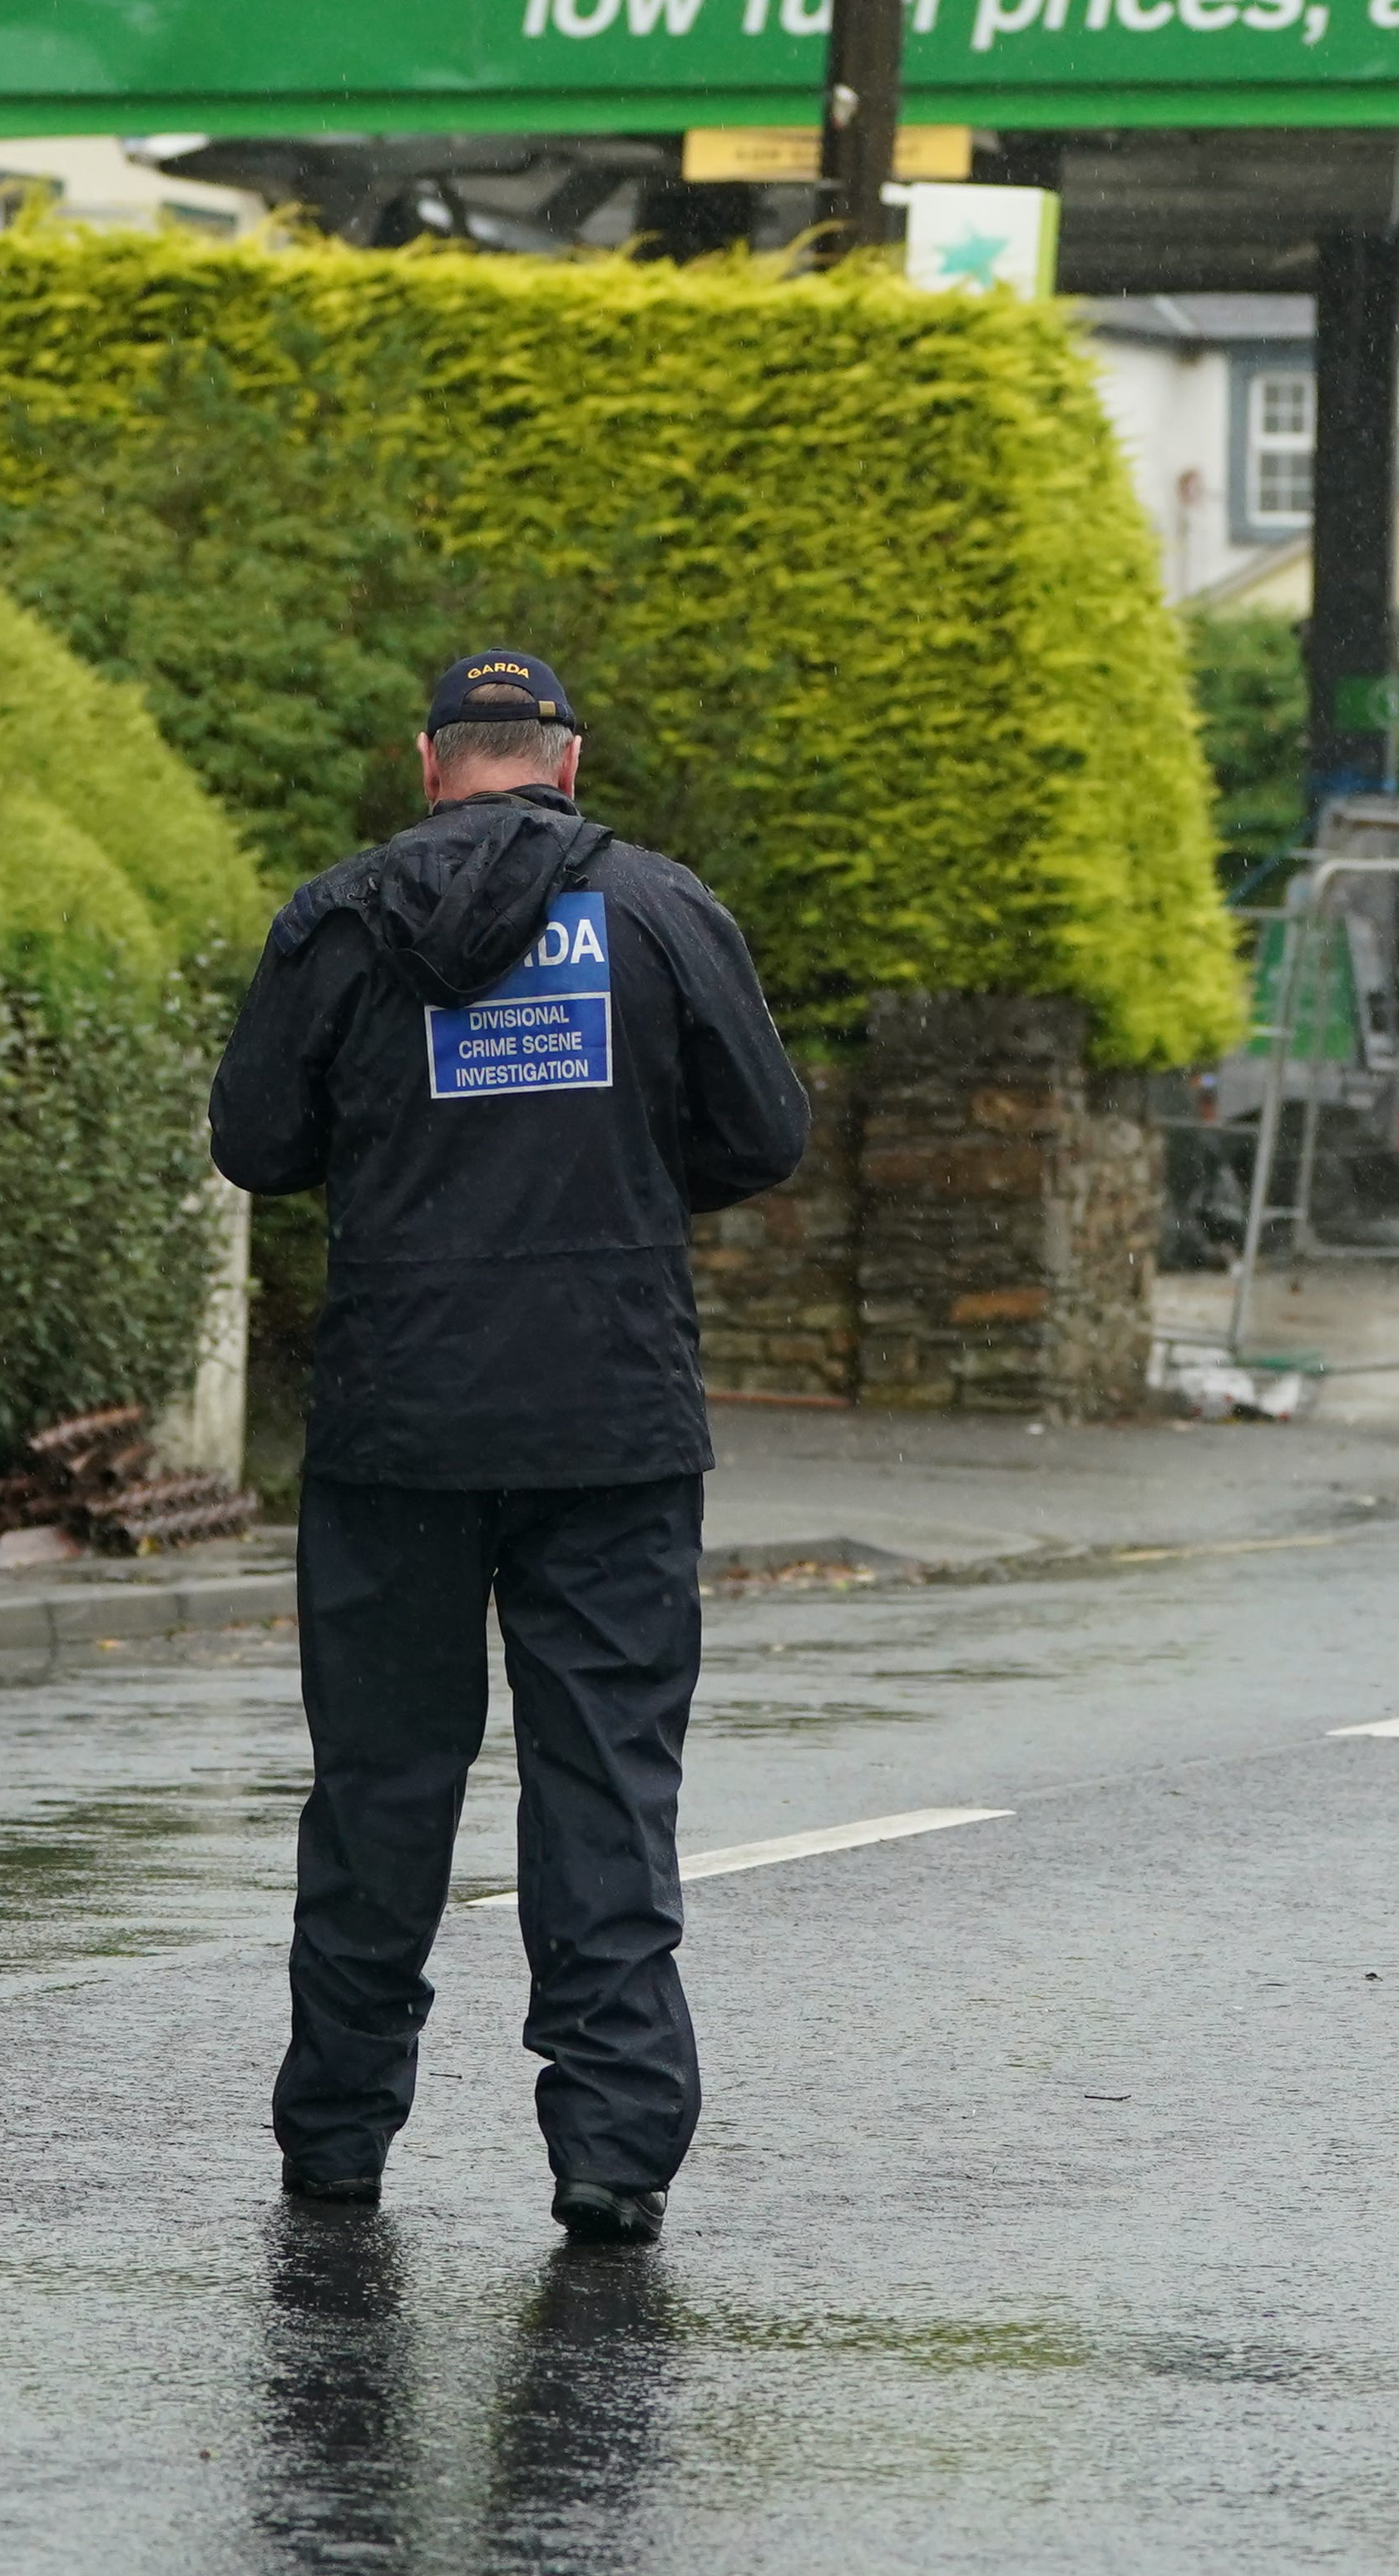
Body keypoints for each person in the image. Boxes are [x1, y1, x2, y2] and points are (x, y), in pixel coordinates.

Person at [210, 648, 810, 2247]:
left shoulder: (341, 921)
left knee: (381, 1787)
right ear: (568, 759)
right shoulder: (664, 914)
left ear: (428, 765)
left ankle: (336, 2139)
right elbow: (765, 1135)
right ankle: (610, 2156)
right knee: (605, 1778)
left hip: (398, 1424)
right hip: (610, 1420)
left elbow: (256, 1143)